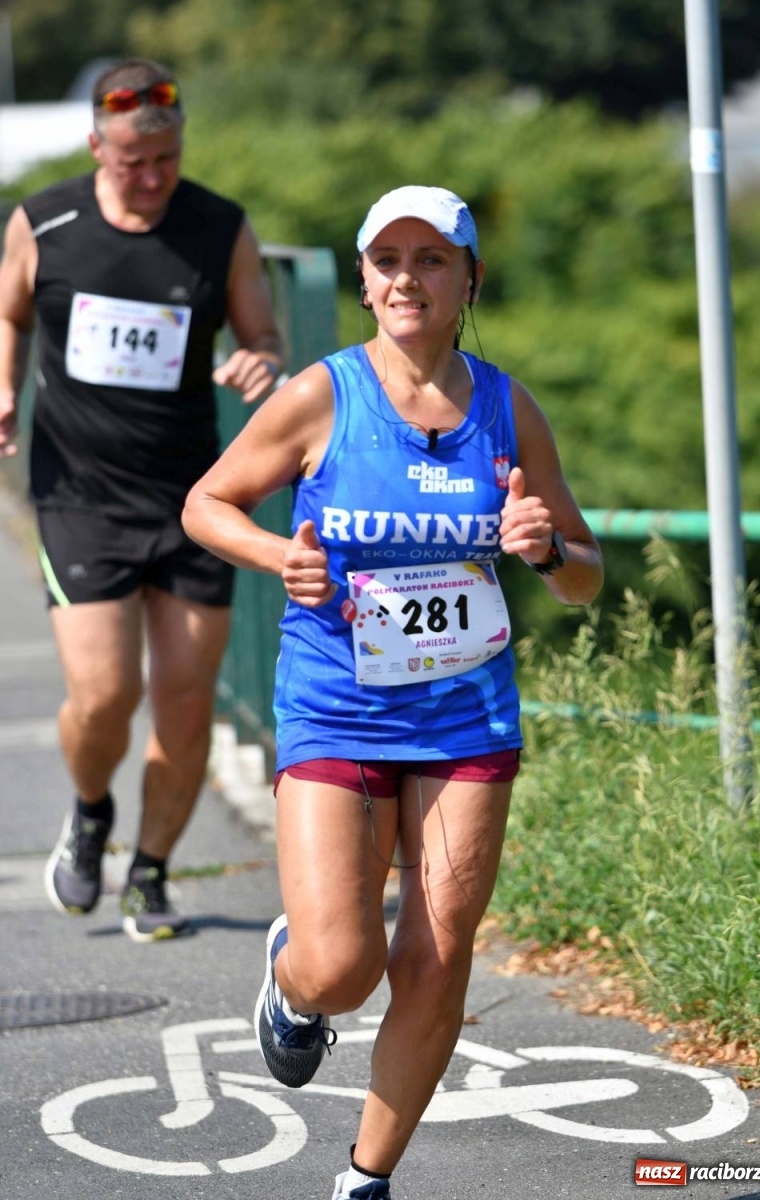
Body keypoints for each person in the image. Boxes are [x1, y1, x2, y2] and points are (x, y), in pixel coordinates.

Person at [182, 184, 603, 1198]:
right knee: (342, 968)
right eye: (386, 261)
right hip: (337, 703)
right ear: (365, 280)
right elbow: (206, 504)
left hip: (466, 718)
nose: (405, 278)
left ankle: (366, 1178)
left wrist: (544, 548)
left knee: (437, 954)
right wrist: (280, 553)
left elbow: (585, 573)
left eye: (430, 260)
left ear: (468, 280)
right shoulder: (322, 395)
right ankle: (294, 978)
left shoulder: (506, 407)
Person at [0, 58, 284, 943]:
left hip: (196, 498)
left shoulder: (217, 227)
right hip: (80, 493)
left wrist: (262, 361)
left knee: (188, 698)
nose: (152, 177)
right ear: (97, 146)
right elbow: (8, 313)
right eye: (133, 161)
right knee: (105, 693)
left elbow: (263, 332)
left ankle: (151, 872)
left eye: (165, 158)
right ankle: (90, 813)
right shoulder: (46, 221)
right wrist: (3, 386)